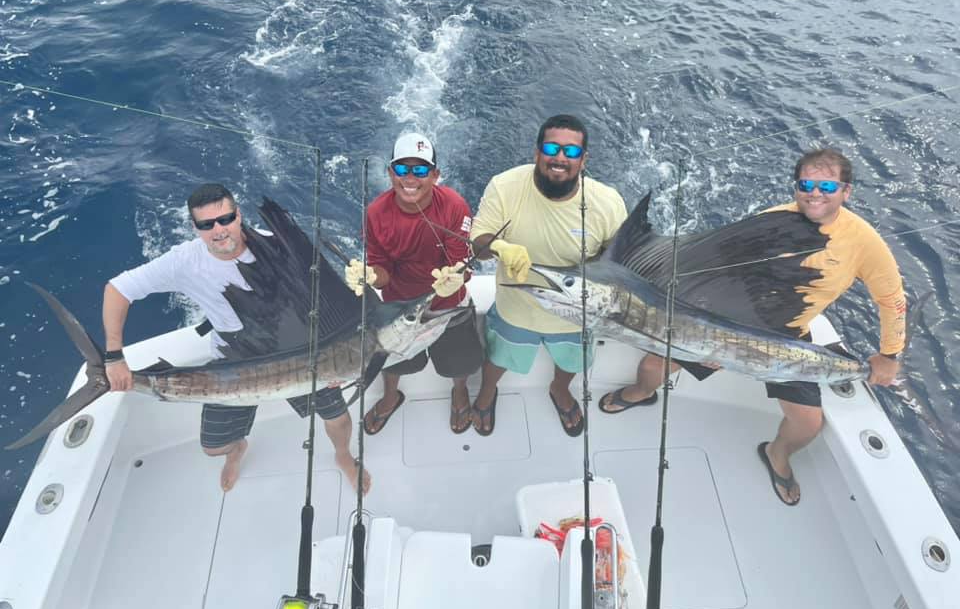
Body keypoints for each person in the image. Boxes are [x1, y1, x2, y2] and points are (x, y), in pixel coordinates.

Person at [599, 148, 906, 506]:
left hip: (787, 336)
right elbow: (727, 278)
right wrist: (716, 344)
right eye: (806, 183)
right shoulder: (771, 221)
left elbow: (892, 299)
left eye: (827, 185)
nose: (815, 193)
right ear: (796, 186)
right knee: (652, 365)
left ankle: (777, 454)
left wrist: (890, 354)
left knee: (808, 423)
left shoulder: (865, 242)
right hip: (726, 326)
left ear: (846, 191)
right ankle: (641, 393)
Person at [103, 183, 370, 494]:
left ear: (238, 215)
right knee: (212, 447)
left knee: (336, 417)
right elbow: (117, 289)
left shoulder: (278, 246)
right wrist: (113, 356)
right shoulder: (184, 261)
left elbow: (322, 306)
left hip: (302, 354)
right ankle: (236, 449)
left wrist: (336, 362)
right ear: (195, 228)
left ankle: (343, 455)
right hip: (238, 360)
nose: (218, 230)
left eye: (225, 219)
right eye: (206, 225)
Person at [469, 114, 628, 436]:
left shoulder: (608, 203)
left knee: (571, 363)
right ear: (536, 152)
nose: (559, 157)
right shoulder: (505, 186)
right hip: (516, 310)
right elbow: (478, 245)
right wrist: (499, 247)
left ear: (583, 160)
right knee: (497, 359)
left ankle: (559, 389)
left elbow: (621, 263)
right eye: (551, 148)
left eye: (570, 152)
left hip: (575, 315)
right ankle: (487, 393)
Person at [343, 133, 484, 435]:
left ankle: (459, 391)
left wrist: (457, 276)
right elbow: (384, 272)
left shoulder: (455, 205)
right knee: (391, 362)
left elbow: (464, 263)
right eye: (402, 169)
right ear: (391, 173)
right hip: (399, 308)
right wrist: (370, 275)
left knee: (459, 363)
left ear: (435, 175)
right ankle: (391, 394)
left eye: (420, 170)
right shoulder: (376, 213)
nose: (410, 178)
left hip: (446, 305)